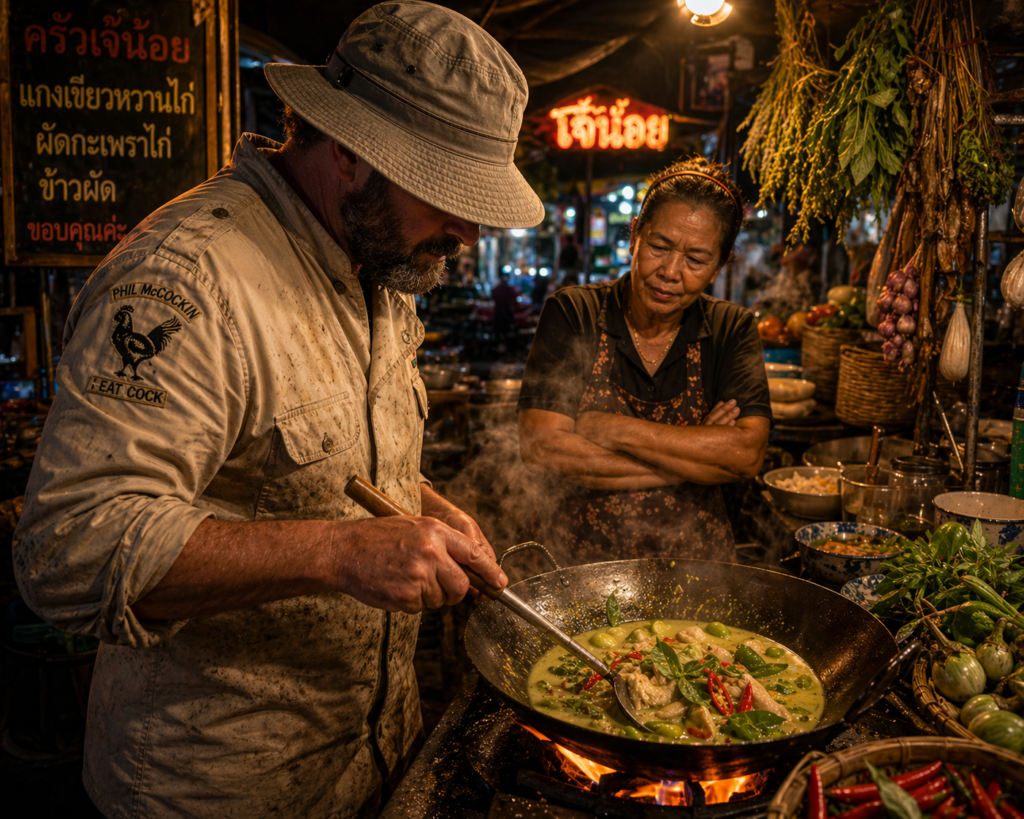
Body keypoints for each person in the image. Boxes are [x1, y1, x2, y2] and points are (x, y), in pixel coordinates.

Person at [12, 3, 543, 818]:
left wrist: (429, 511)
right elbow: (70, 548)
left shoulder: (376, 260)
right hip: (217, 787)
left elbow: (325, 466)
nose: (466, 229)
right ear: (349, 149)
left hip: (366, 762)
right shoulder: (191, 277)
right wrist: (339, 553)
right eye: (444, 193)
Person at [517, 157, 771, 566]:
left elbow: (744, 455)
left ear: (719, 267)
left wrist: (609, 428)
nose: (670, 272)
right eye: (659, 247)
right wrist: (692, 462)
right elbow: (543, 446)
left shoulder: (731, 329)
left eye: (696, 259)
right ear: (635, 235)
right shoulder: (574, 312)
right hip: (574, 564)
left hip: (696, 569)